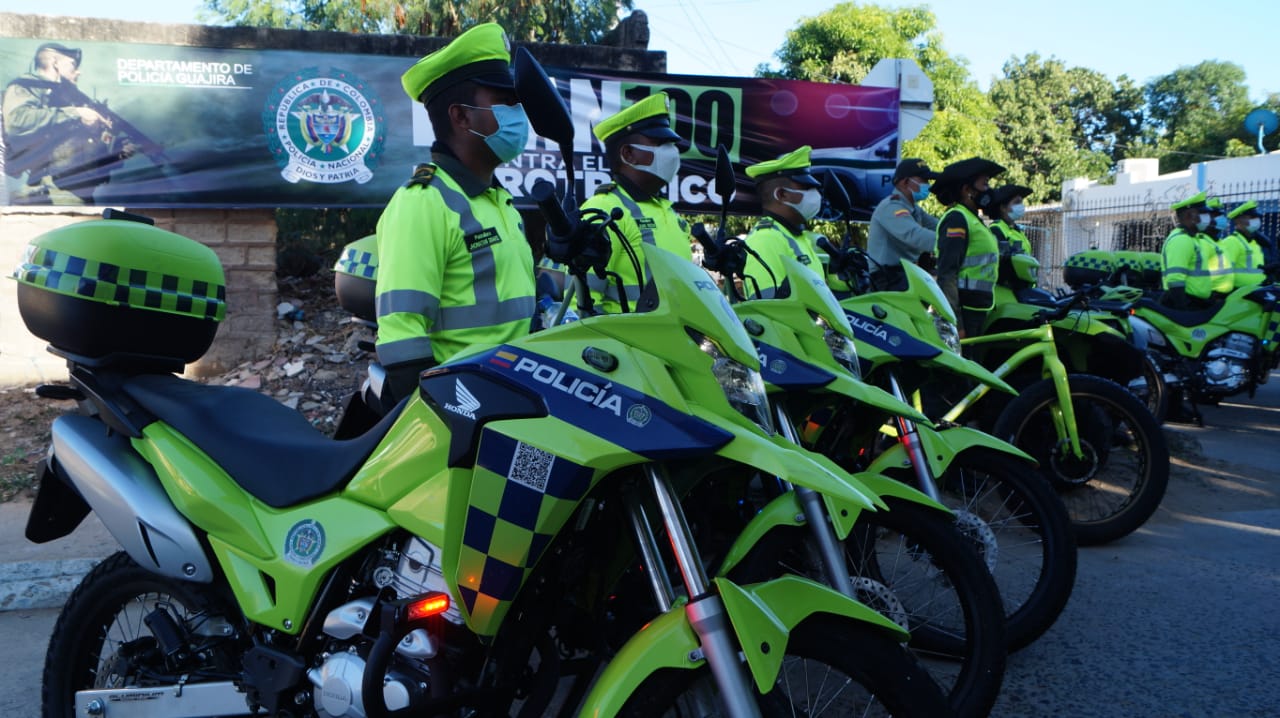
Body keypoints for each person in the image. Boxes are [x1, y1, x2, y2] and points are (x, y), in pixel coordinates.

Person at [374, 22, 536, 403]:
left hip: (515, 399)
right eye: (504, 101)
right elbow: (402, 338)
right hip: (469, 411)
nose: (517, 113)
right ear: (461, 117)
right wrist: (447, 421)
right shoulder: (423, 203)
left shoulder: (499, 201)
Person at [580, 91, 692, 314]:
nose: (672, 152)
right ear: (628, 154)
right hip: (629, 347)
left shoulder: (667, 210)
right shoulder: (603, 210)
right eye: (661, 143)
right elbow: (582, 306)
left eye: (671, 144)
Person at [2, 43, 135, 204]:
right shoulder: (27, 86)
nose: (79, 71)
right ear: (54, 63)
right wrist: (76, 112)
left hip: (79, 191)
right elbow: (17, 121)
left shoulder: (67, 100)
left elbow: (81, 155)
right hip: (48, 189)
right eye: (73, 64)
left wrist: (117, 153)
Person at [739, 145, 849, 298]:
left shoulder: (798, 236)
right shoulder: (766, 240)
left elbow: (823, 296)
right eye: (806, 188)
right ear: (782, 194)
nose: (815, 194)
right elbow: (767, 309)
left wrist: (840, 275)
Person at [932, 156, 1006, 338]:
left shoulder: (973, 219)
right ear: (967, 190)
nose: (989, 191)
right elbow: (947, 274)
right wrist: (955, 322)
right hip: (965, 312)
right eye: (985, 184)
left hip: (978, 308)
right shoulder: (957, 218)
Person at [866, 157, 941, 291]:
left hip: (904, 275)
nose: (928, 184)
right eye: (923, 180)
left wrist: (958, 231)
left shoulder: (913, 209)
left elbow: (939, 226)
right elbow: (914, 235)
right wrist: (950, 242)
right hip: (886, 279)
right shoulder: (891, 207)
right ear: (905, 182)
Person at [1160, 191, 1215, 310]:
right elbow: (1175, 280)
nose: (1208, 218)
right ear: (1189, 215)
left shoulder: (1193, 239)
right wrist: (1184, 309)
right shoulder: (1182, 240)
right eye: (1203, 213)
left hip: (1196, 303)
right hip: (1186, 303)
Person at [983, 184, 1035, 288]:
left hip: (1023, 287)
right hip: (1008, 288)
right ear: (1003, 208)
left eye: (1021, 202)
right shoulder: (996, 229)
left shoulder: (1017, 230)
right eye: (1016, 202)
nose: (1021, 206)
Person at [1222, 200, 1267, 288]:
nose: (1256, 220)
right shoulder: (1232, 241)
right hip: (1237, 293)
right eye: (1251, 217)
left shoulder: (1253, 243)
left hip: (1255, 291)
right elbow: (1224, 271)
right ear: (1238, 221)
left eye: (1256, 217)